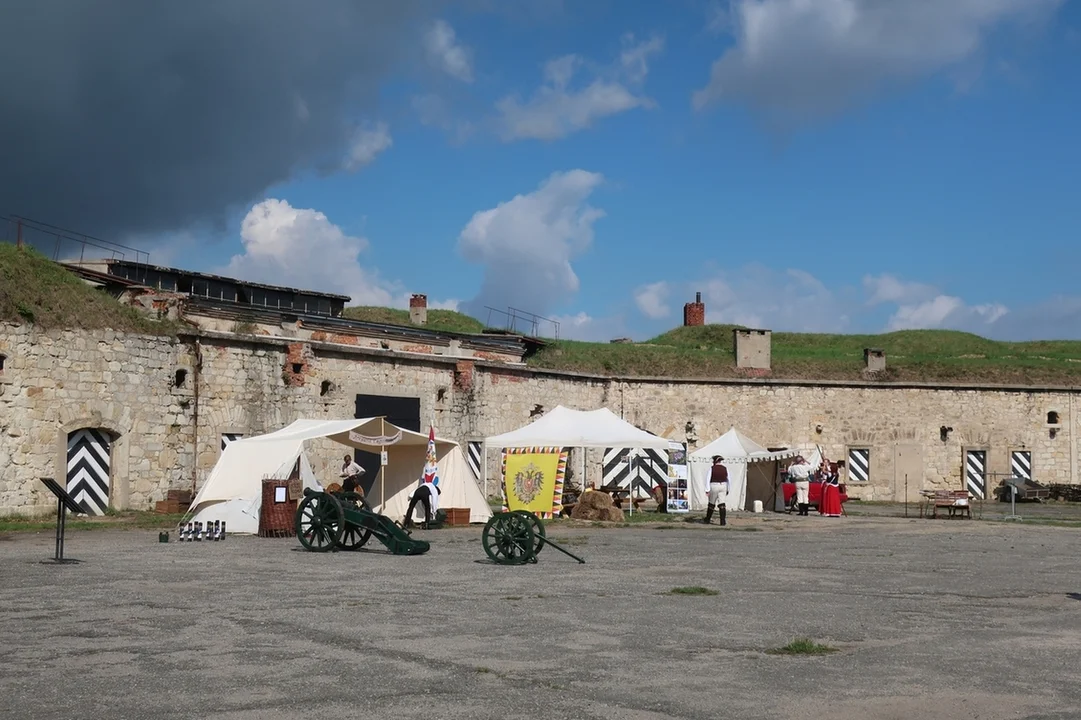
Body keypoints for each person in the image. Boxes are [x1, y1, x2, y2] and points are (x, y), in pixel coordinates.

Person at [704, 455, 728, 525]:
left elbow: (708, 479)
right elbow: (728, 479)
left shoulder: (712, 468)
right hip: (723, 485)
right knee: (722, 503)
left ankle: (707, 519)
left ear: (715, 461)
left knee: (711, 503)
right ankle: (723, 521)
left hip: (714, 485)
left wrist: (707, 489)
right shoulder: (725, 468)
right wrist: (728, 489)